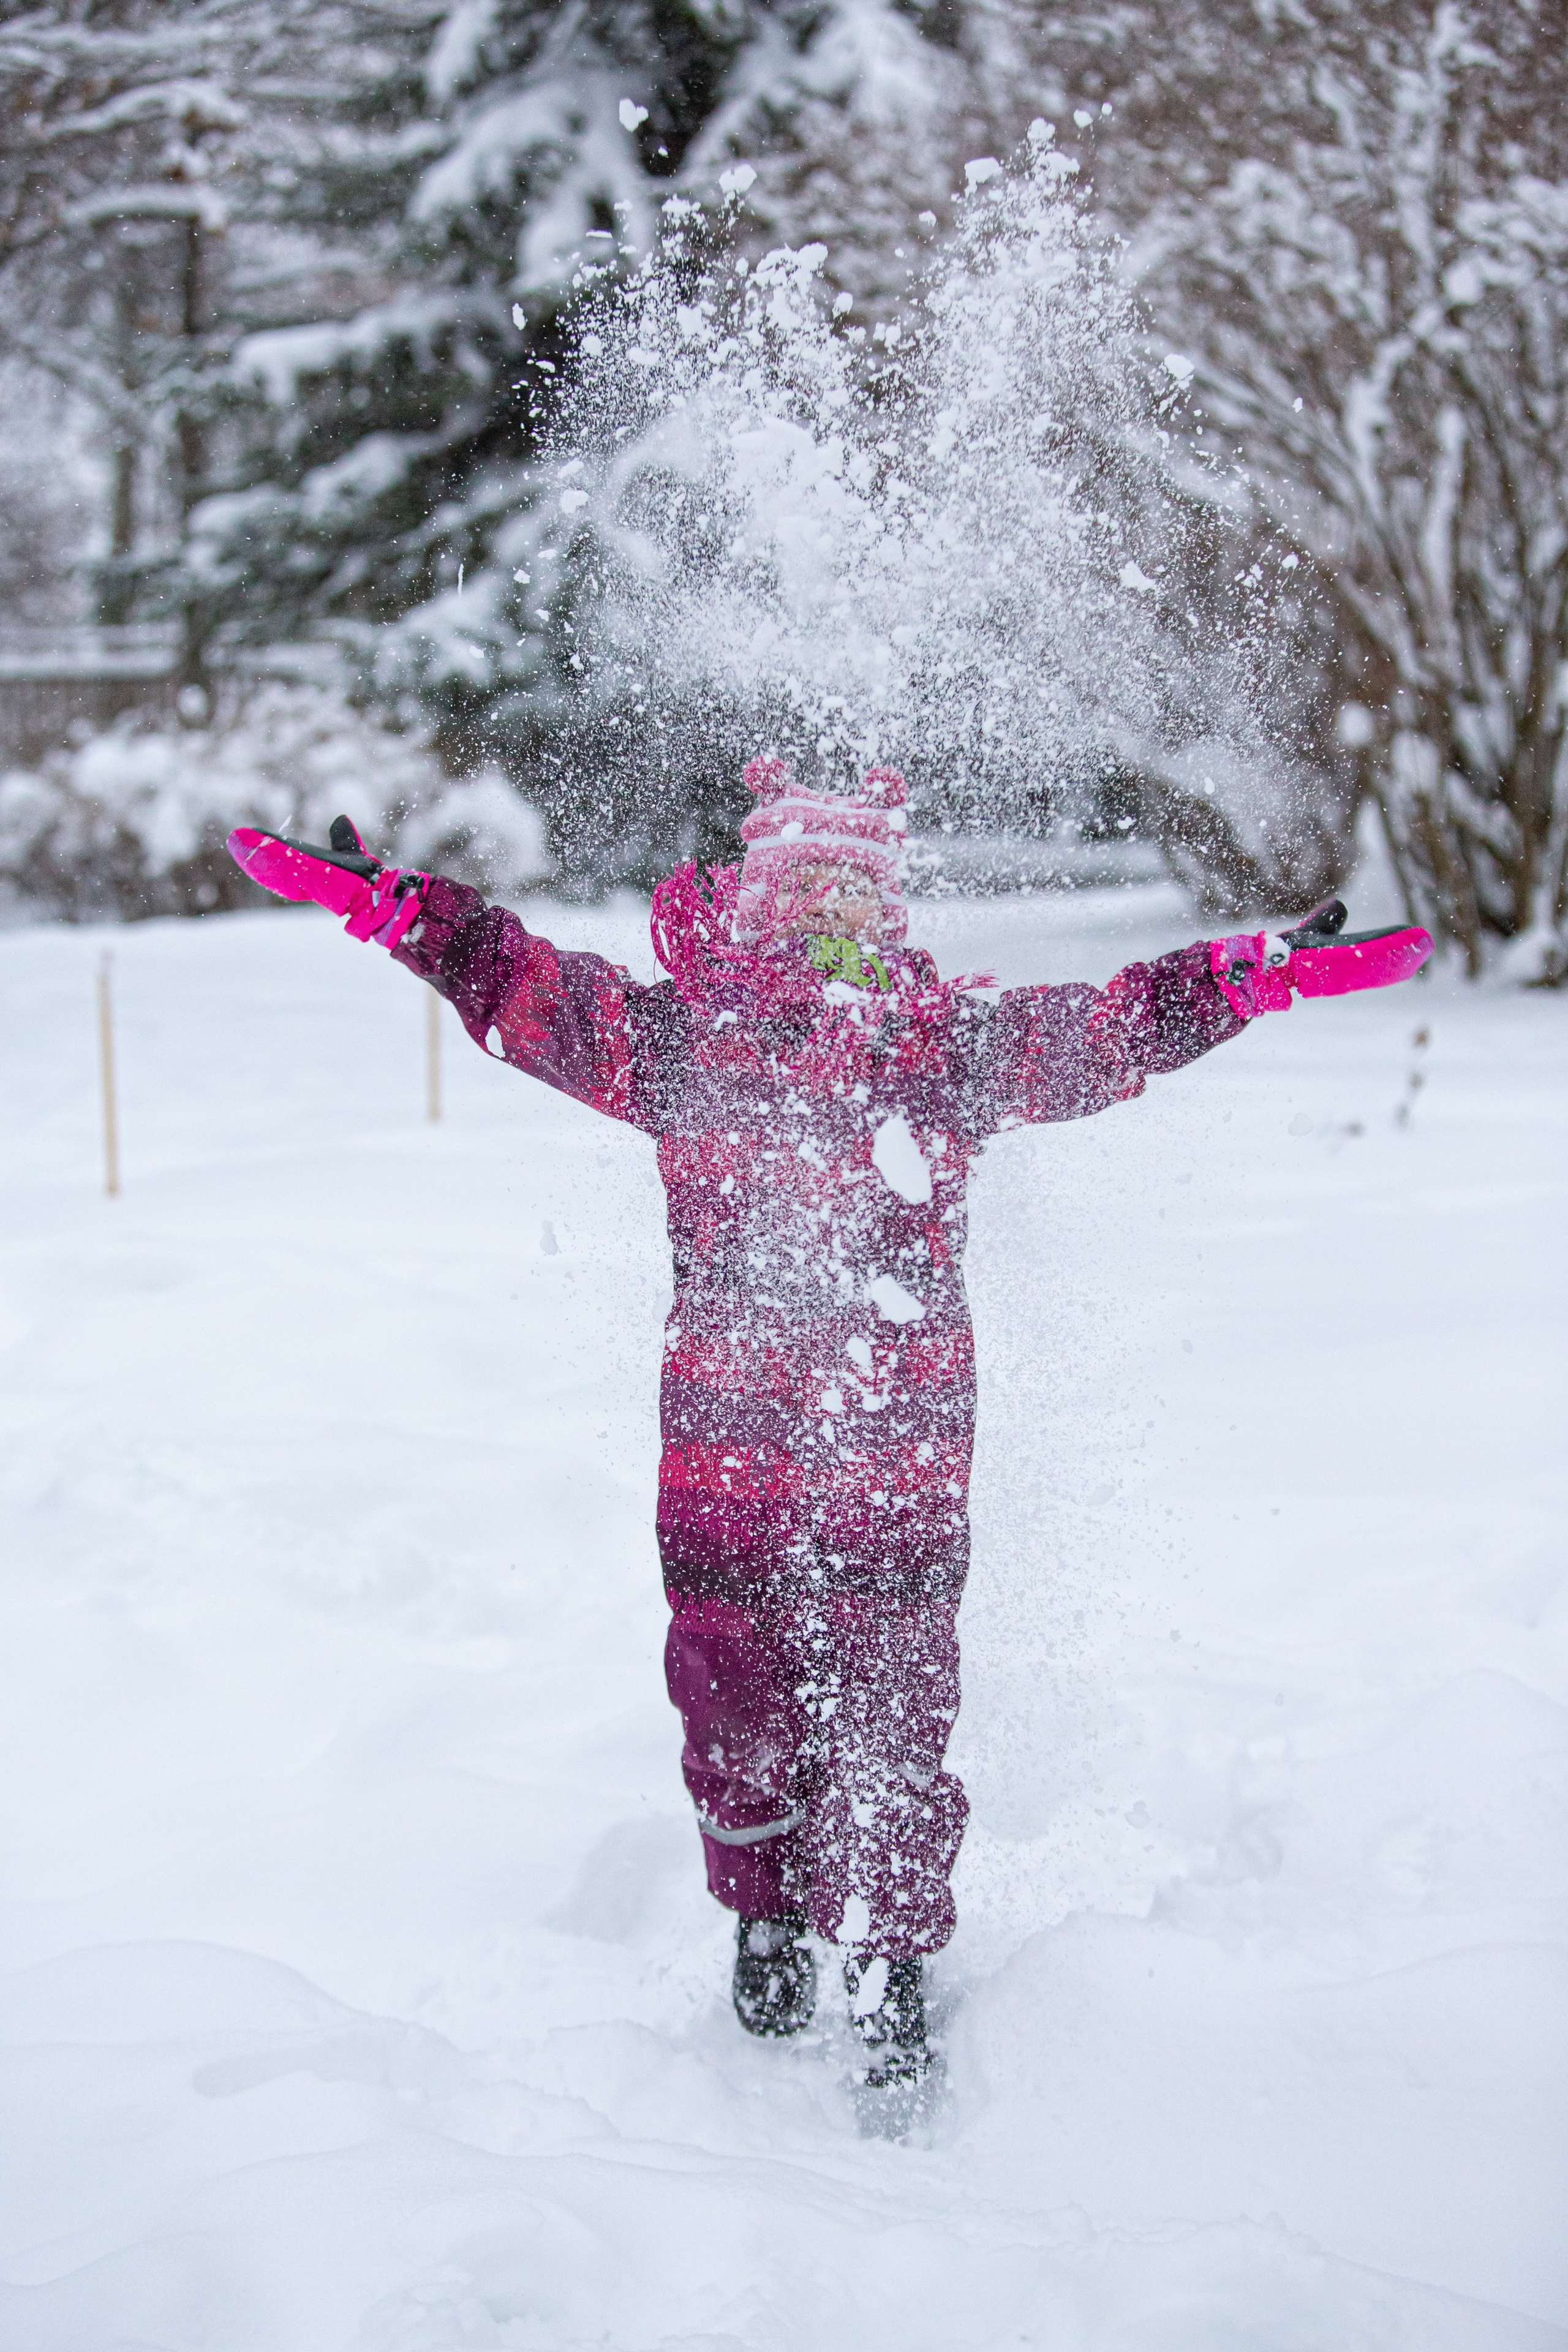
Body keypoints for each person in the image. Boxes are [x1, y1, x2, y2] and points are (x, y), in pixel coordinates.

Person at [228, 760, 1430, 2096]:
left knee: (896, 1717)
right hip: (726, 1469)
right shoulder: (685, 1045)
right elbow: (527, 992)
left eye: (857, 894)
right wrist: (408, 913)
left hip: (899, 1470)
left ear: (891, 908)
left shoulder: (945, 1050)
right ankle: (763, 1909)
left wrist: (1244, 977)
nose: (831, 923)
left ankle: (895, 1951)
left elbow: (1106, 1030)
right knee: (733, 1703)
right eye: (806, 894)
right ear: (755, 902)